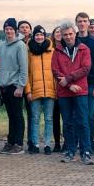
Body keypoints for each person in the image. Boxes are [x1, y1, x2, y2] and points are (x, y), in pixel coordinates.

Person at [52, 22, 94, 165]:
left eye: (70, 34)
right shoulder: (57, 51)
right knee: (68, 123)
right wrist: (69, 85)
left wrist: (68, 79)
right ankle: (70, 151)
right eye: (65, 35)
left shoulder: (84, 49)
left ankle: (86, 152)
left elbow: (86, 68)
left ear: (75, 33)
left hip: (80, 91)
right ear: (61, 36)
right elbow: (55, 70)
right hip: (65, 92)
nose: (68, 37)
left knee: (83, 122)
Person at [0, 18, 28, 155]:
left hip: (15, 86)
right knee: (11, 116)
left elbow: (23, 68)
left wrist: (21, 86)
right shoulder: (2, 46)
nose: (8, 31)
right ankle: (10, 142)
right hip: (5, 86)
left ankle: (19, 144)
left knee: (17, 116)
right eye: (6, 29)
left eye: (11, 29)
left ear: (15, 30)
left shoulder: (20, 45)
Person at [25, 25, 57, 155]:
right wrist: (28, 91)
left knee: (49, 118)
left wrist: (56, 89)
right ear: (34, 36)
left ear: (45, 36)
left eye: (41, 35)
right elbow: (26, 72)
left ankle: (48, 144)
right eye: (37, 35)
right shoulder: (29, 52)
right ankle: (35, 144)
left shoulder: (52, 51)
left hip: (50, 91)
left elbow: (56, 71)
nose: (39, 37)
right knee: (35, 118)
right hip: (34, 91)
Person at [75, 12, 94, 155]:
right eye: (80, 21)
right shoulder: (73, 40)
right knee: (77, 115)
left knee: (89, 116)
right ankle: (76, 143)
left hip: (91, 84)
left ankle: (89, 144)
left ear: (88, 23)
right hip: (76, 83)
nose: (82, 23)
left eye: (85, 21)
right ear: (76, 23)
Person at [17, 19, 34, 150]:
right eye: (22, 27)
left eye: (26, 27)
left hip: (31, 81)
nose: (24, 29)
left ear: (30, 29)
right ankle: (19, 140)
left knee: (31, 113)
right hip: (17, 82)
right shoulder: (16, 43)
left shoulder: (35, 43)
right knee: (18, 114)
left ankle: (31, 141)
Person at [51, 26, 63, 152]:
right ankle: (57, 143)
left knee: (66, 118)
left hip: (64, 87)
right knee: (54, 118)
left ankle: (67, 142)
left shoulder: (67, 49)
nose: (59, 34)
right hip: (52, 89)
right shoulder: (49, 49)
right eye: (57, 32)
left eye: (61, 32)